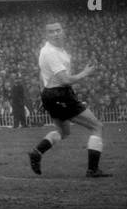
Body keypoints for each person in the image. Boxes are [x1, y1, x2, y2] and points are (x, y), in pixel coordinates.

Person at [28, 20, 110, 177]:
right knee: (97, 126)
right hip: (60, 94)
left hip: (52, 94)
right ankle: (93, 170)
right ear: (46, 35)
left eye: (58, 30)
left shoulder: (57, 50)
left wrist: (44, 95)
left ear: (63, 31)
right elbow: (64, 80)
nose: (56, 33)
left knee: (63, 132)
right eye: (51, 31)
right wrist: (85, 73)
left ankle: (37, 152)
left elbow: (42, 74)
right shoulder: (51, 52)